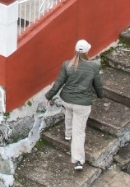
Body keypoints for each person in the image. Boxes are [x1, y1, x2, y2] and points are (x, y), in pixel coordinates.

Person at [44, 40, 103, 173]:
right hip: (82, 104)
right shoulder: (93, 67)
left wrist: (49, 96)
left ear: (75, 50)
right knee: (79, 132)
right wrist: (100, 95)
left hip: (67, 100)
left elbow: (58, 82)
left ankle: (67, 134)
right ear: (87, 51)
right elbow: (98, 85)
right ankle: (78, 160)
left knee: (69, 113)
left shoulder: (67, 64)